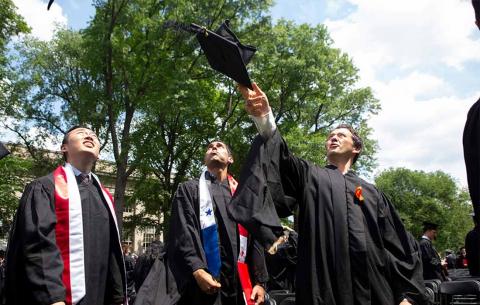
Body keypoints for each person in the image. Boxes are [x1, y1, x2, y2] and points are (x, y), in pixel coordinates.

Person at [230, 83, 428, 305]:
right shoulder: (311, 177)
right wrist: (264, 118)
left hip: (375, 291)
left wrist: (407, 296)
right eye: (330, 135)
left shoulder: (374, 194)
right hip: (323, 289)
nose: (333, 137)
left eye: (341, 135)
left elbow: (397, 246)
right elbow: (282, 158)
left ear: (356, 148)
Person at [5, 126, 126, 305]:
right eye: (81, 133)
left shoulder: (104, 197)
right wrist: (53, 297)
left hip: (99, 295)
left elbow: (113, 252)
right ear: (64, 148)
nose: (89, 135)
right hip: (58, 298)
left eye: (93, 135)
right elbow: (39, 244)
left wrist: (117, 296)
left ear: (99, 153)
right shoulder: (45, 187)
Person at [168, 140, 268, 305]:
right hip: (204, 282)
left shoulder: (244, 194)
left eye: (219, 146)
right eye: (209, 147)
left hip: (240, 285)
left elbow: (255, 238)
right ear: (204, 160)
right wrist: (197, 268)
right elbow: (183, 231)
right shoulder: (189, 190)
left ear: (230, 159)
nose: (213, 147)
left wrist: (260, 282)